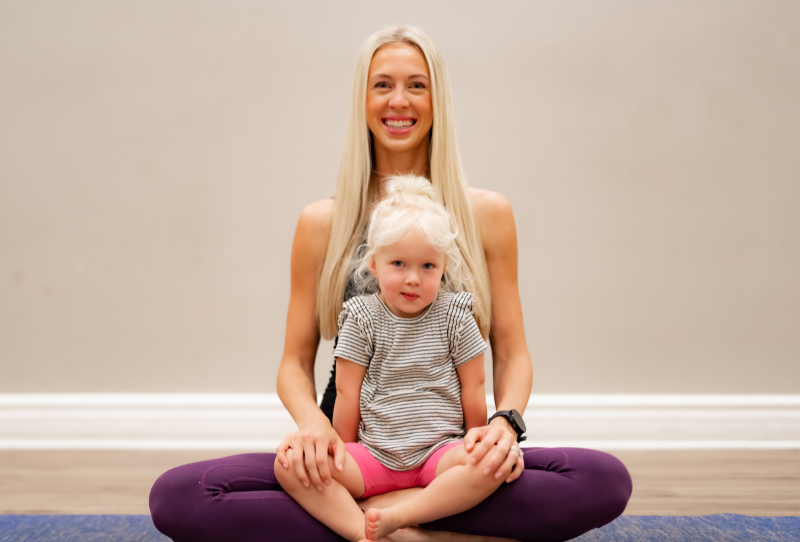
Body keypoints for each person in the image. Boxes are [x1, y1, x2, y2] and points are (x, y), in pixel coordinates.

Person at [149, 25, 632, 542]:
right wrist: (314, 429)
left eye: (416, 85)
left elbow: (511, 352)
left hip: (447, 457)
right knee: (180, 495)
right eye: (382, 85)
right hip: (352, 454)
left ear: (436, 98)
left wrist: (503, 425)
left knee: (602, 478)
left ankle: (381, 521)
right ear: (363, 97)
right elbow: (293, 363)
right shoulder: (321, 223)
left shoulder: (487, 214)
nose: (398, 101)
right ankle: (417, 527)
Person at [276, 174, 507, 542]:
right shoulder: (362, 318)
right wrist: (343, 453)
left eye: (427, 267)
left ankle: (399, 515)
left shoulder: (457, 316)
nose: (412, 278)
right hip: (374, 457)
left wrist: (475, 441)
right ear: (374, 263)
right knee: (289, 462)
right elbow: (348, 393)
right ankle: (363, 533)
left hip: (439, 454)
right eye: (398, 263)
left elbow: (474, 385)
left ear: (443, 266)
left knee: (491, 463)